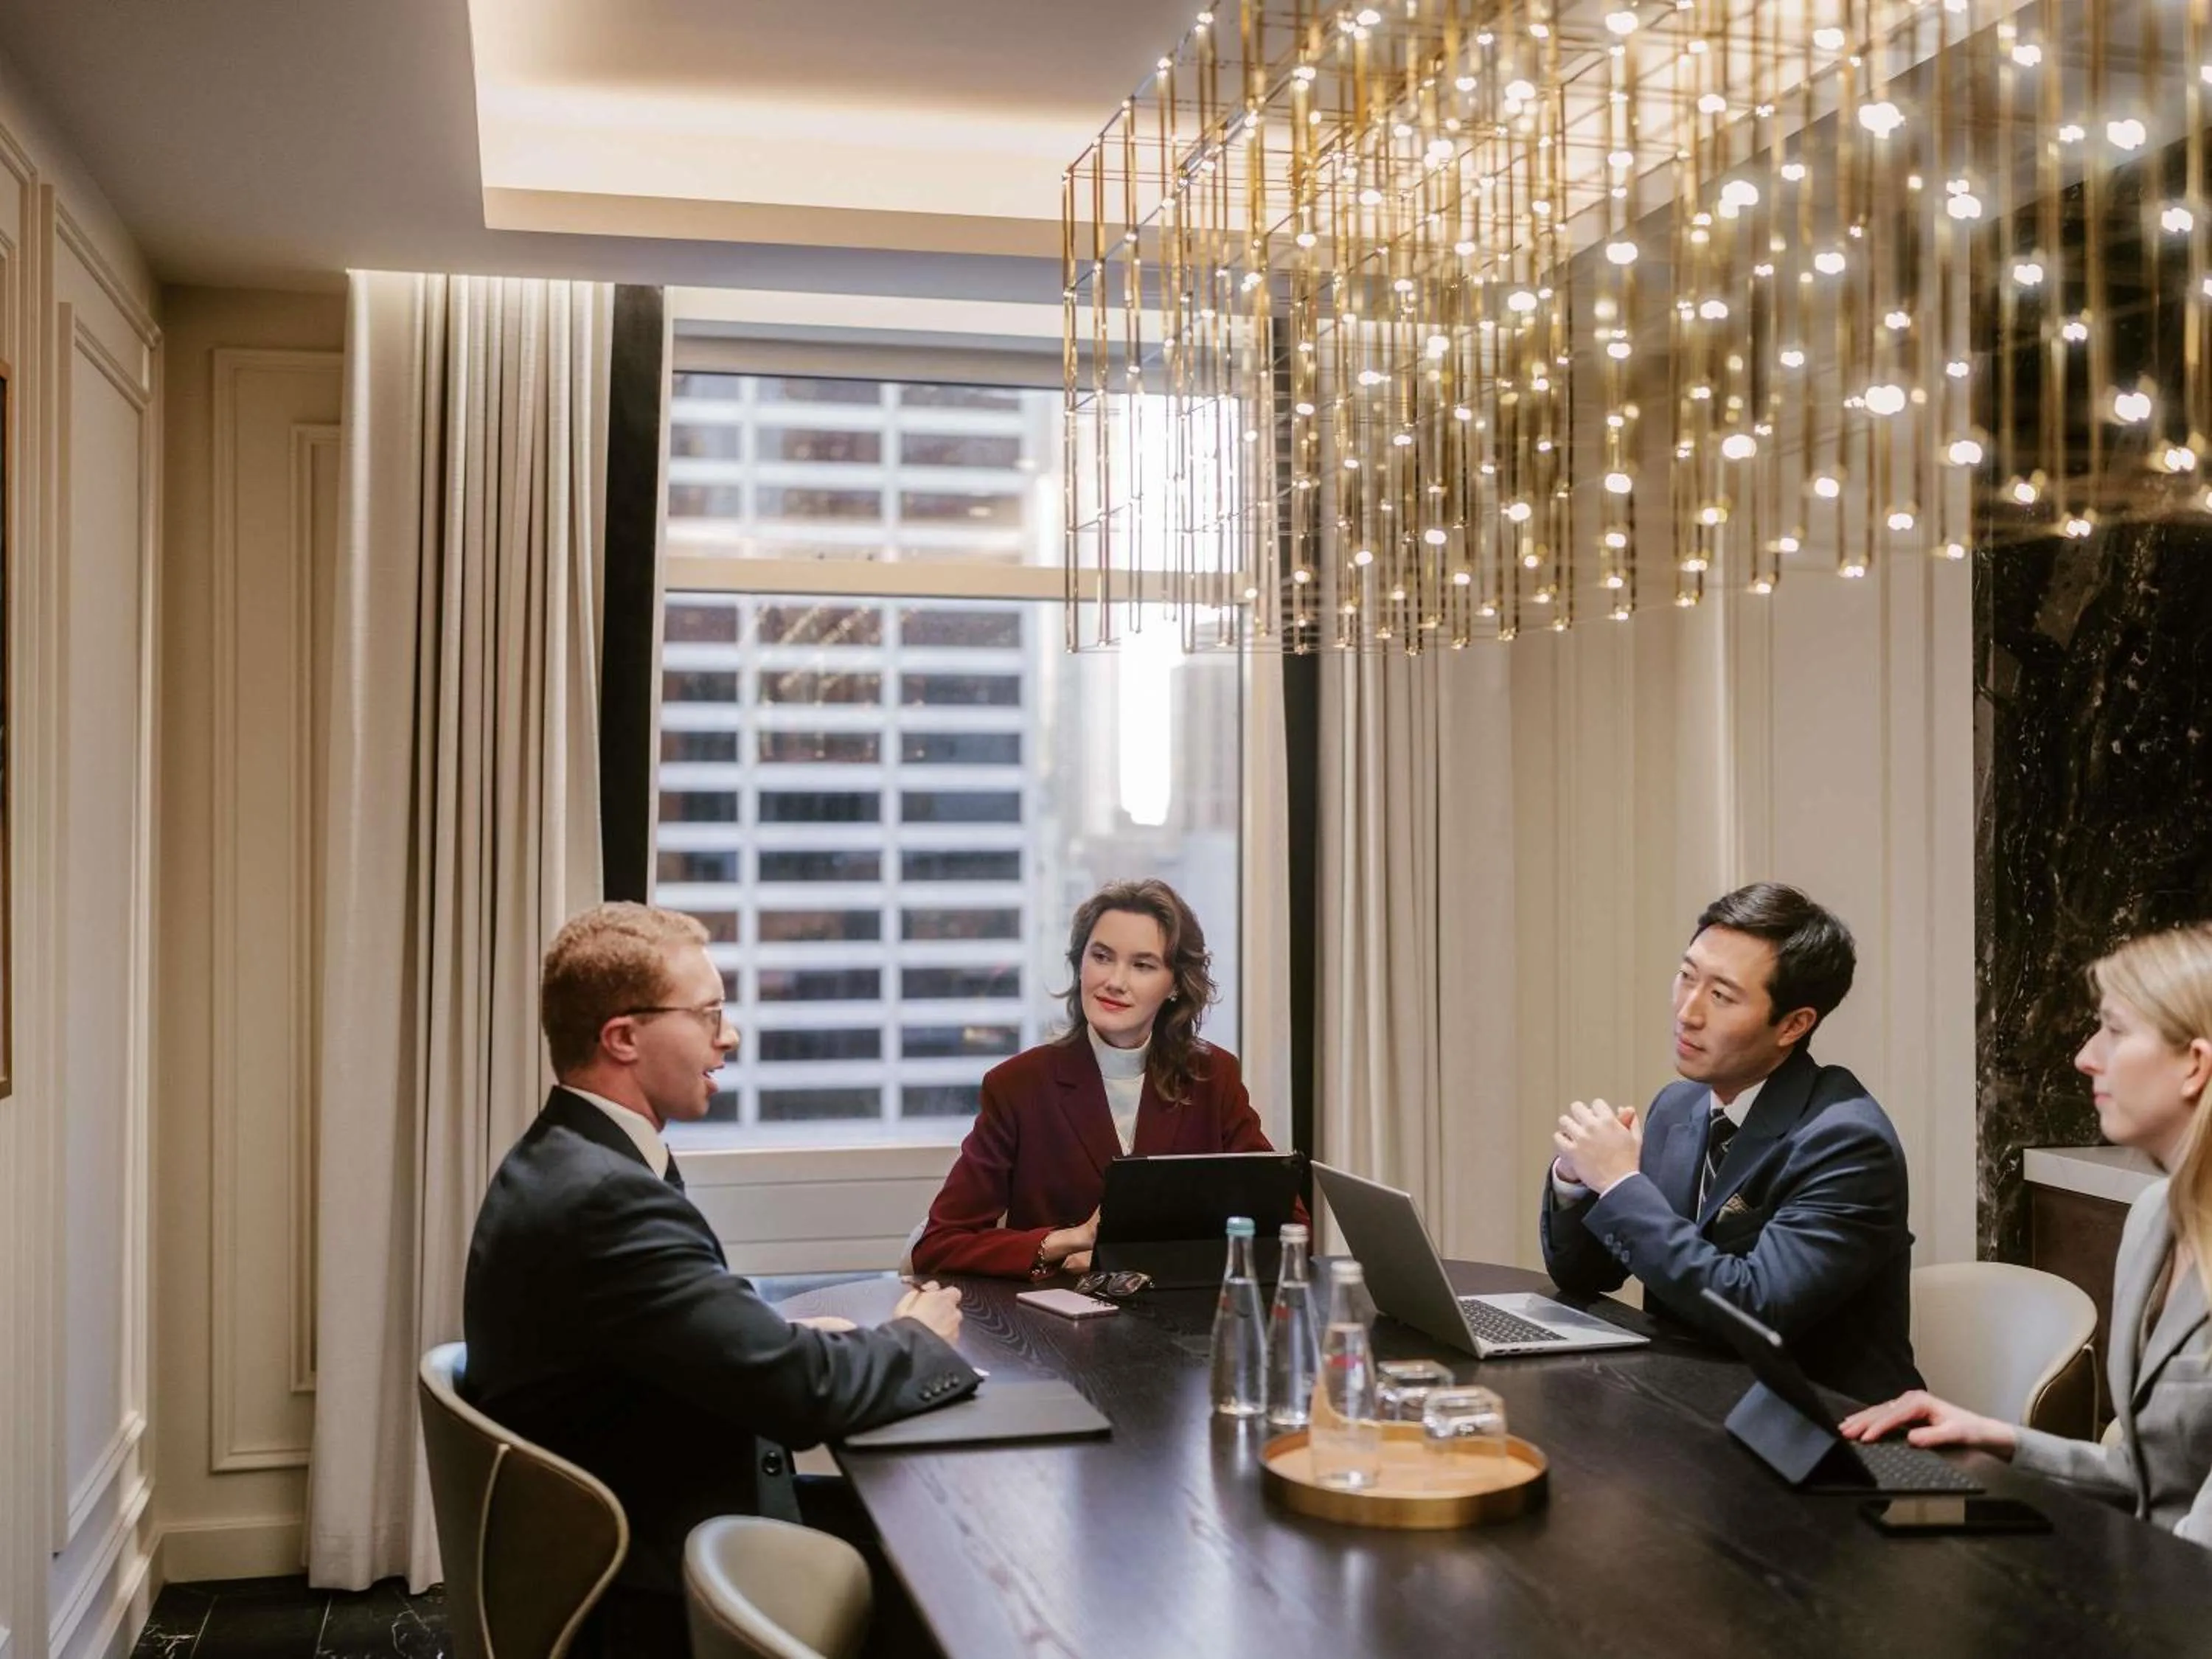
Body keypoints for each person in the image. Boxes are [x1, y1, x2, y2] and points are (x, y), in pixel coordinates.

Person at [462, 902, 980, 1658]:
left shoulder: (572, 1155)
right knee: (950, 1577)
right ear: (623, 1037)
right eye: (707, 1015)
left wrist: (776, 1337)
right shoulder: (606, 1197)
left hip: (641, 1507)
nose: (729, 1036)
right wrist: (918, 1340)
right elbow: (808, 1395)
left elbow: (667, 1326)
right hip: (653, 1574)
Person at [1841, 922, 2212, 1546]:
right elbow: (2145, 1478)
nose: (2085, 1057)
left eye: (2115, 1031)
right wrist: (1997, 1438)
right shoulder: (2155, 1215)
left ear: (2194, 1065)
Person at [1540, 882, 1921, 1402]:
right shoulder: (1680, 1106)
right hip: (1689, 1400)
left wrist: (1621, 1182)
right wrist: (1577, 1180)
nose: (1688, 1012)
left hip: (1819, 1429)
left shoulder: (1846, 1142)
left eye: (1721, 996)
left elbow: (1755, 1310)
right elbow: (1586, 1275)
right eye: (1686, 977)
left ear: (1793, 1024)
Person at [914, 878, 1293, 1279]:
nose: (1115, 981)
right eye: (1102, 956)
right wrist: (1069, 1241)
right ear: (1080, 963)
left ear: (1176, 985)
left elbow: (1291, 1230)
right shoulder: (1018, 1086)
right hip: (1054, 1329)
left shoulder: (1213, 1076)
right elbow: (939, 1245)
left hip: (1182, 1325)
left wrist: (1134, 1259)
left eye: (1142, 965)